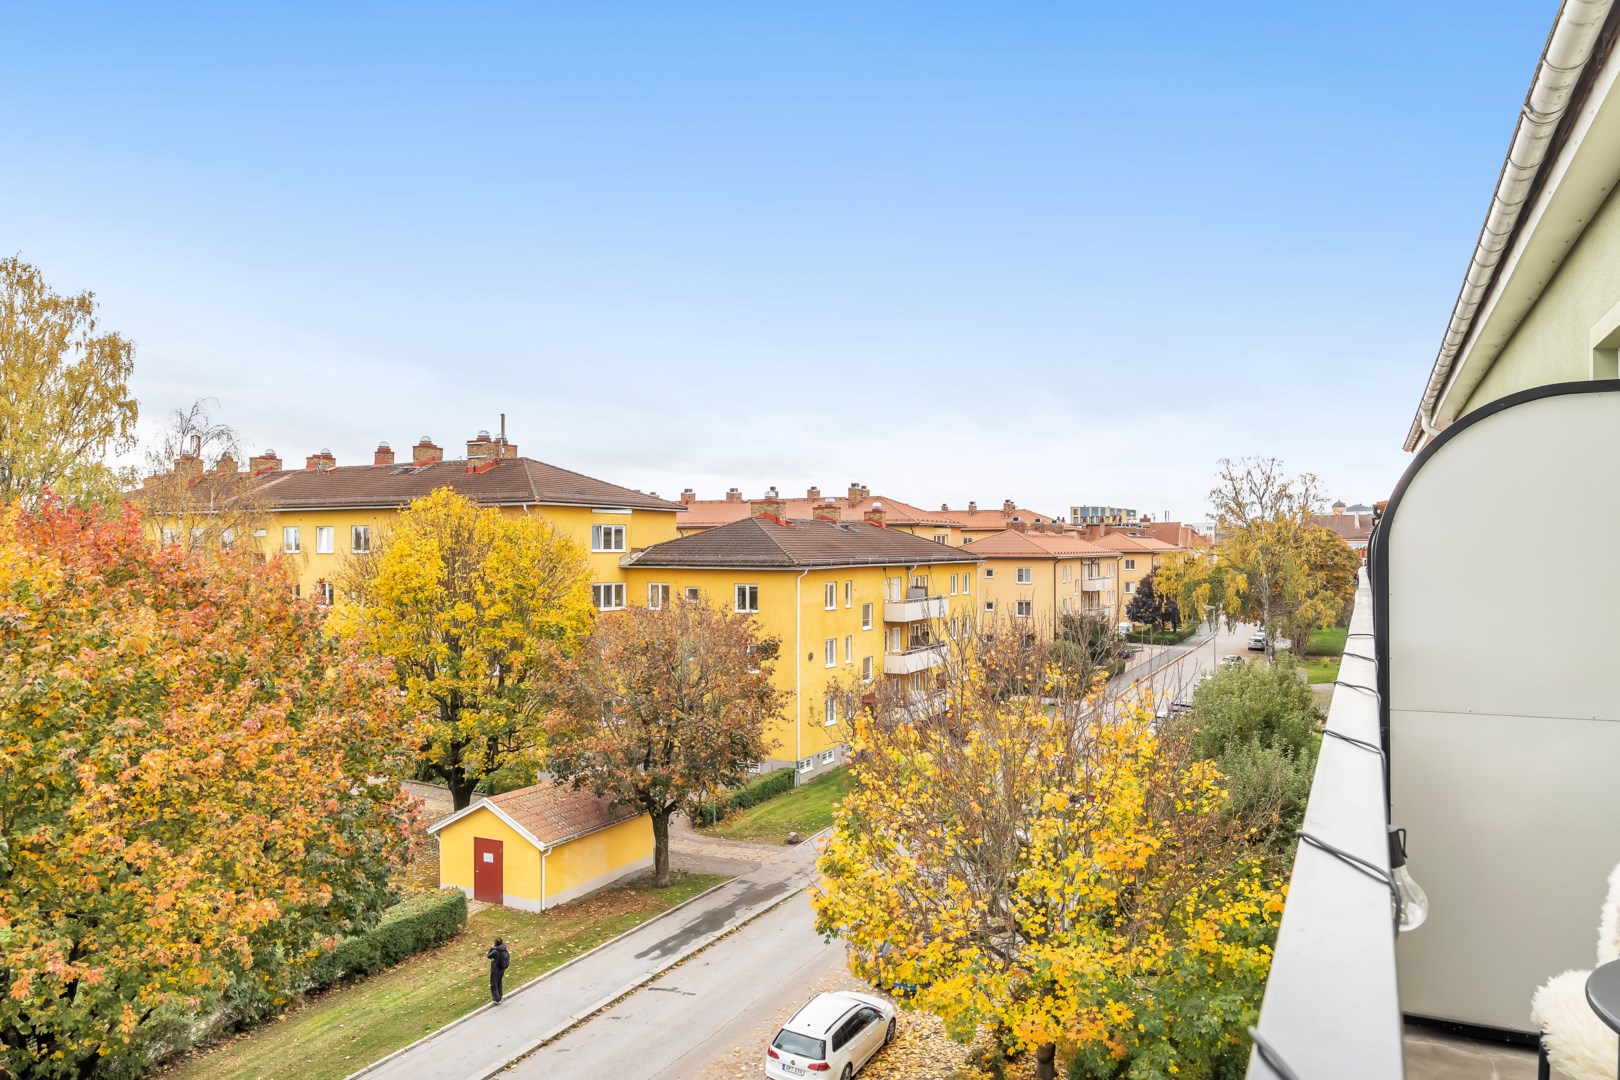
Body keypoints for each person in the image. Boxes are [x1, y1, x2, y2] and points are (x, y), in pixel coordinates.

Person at [487, 937, 510, 1003]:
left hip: (496, 969)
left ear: (495, 944)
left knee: (494, 983)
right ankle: (500, 995)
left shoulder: (495, 951)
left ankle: (496, 999)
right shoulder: (504, 949)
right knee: (499, 982)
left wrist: (491, 948)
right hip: (502, 968)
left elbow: (488, 956)